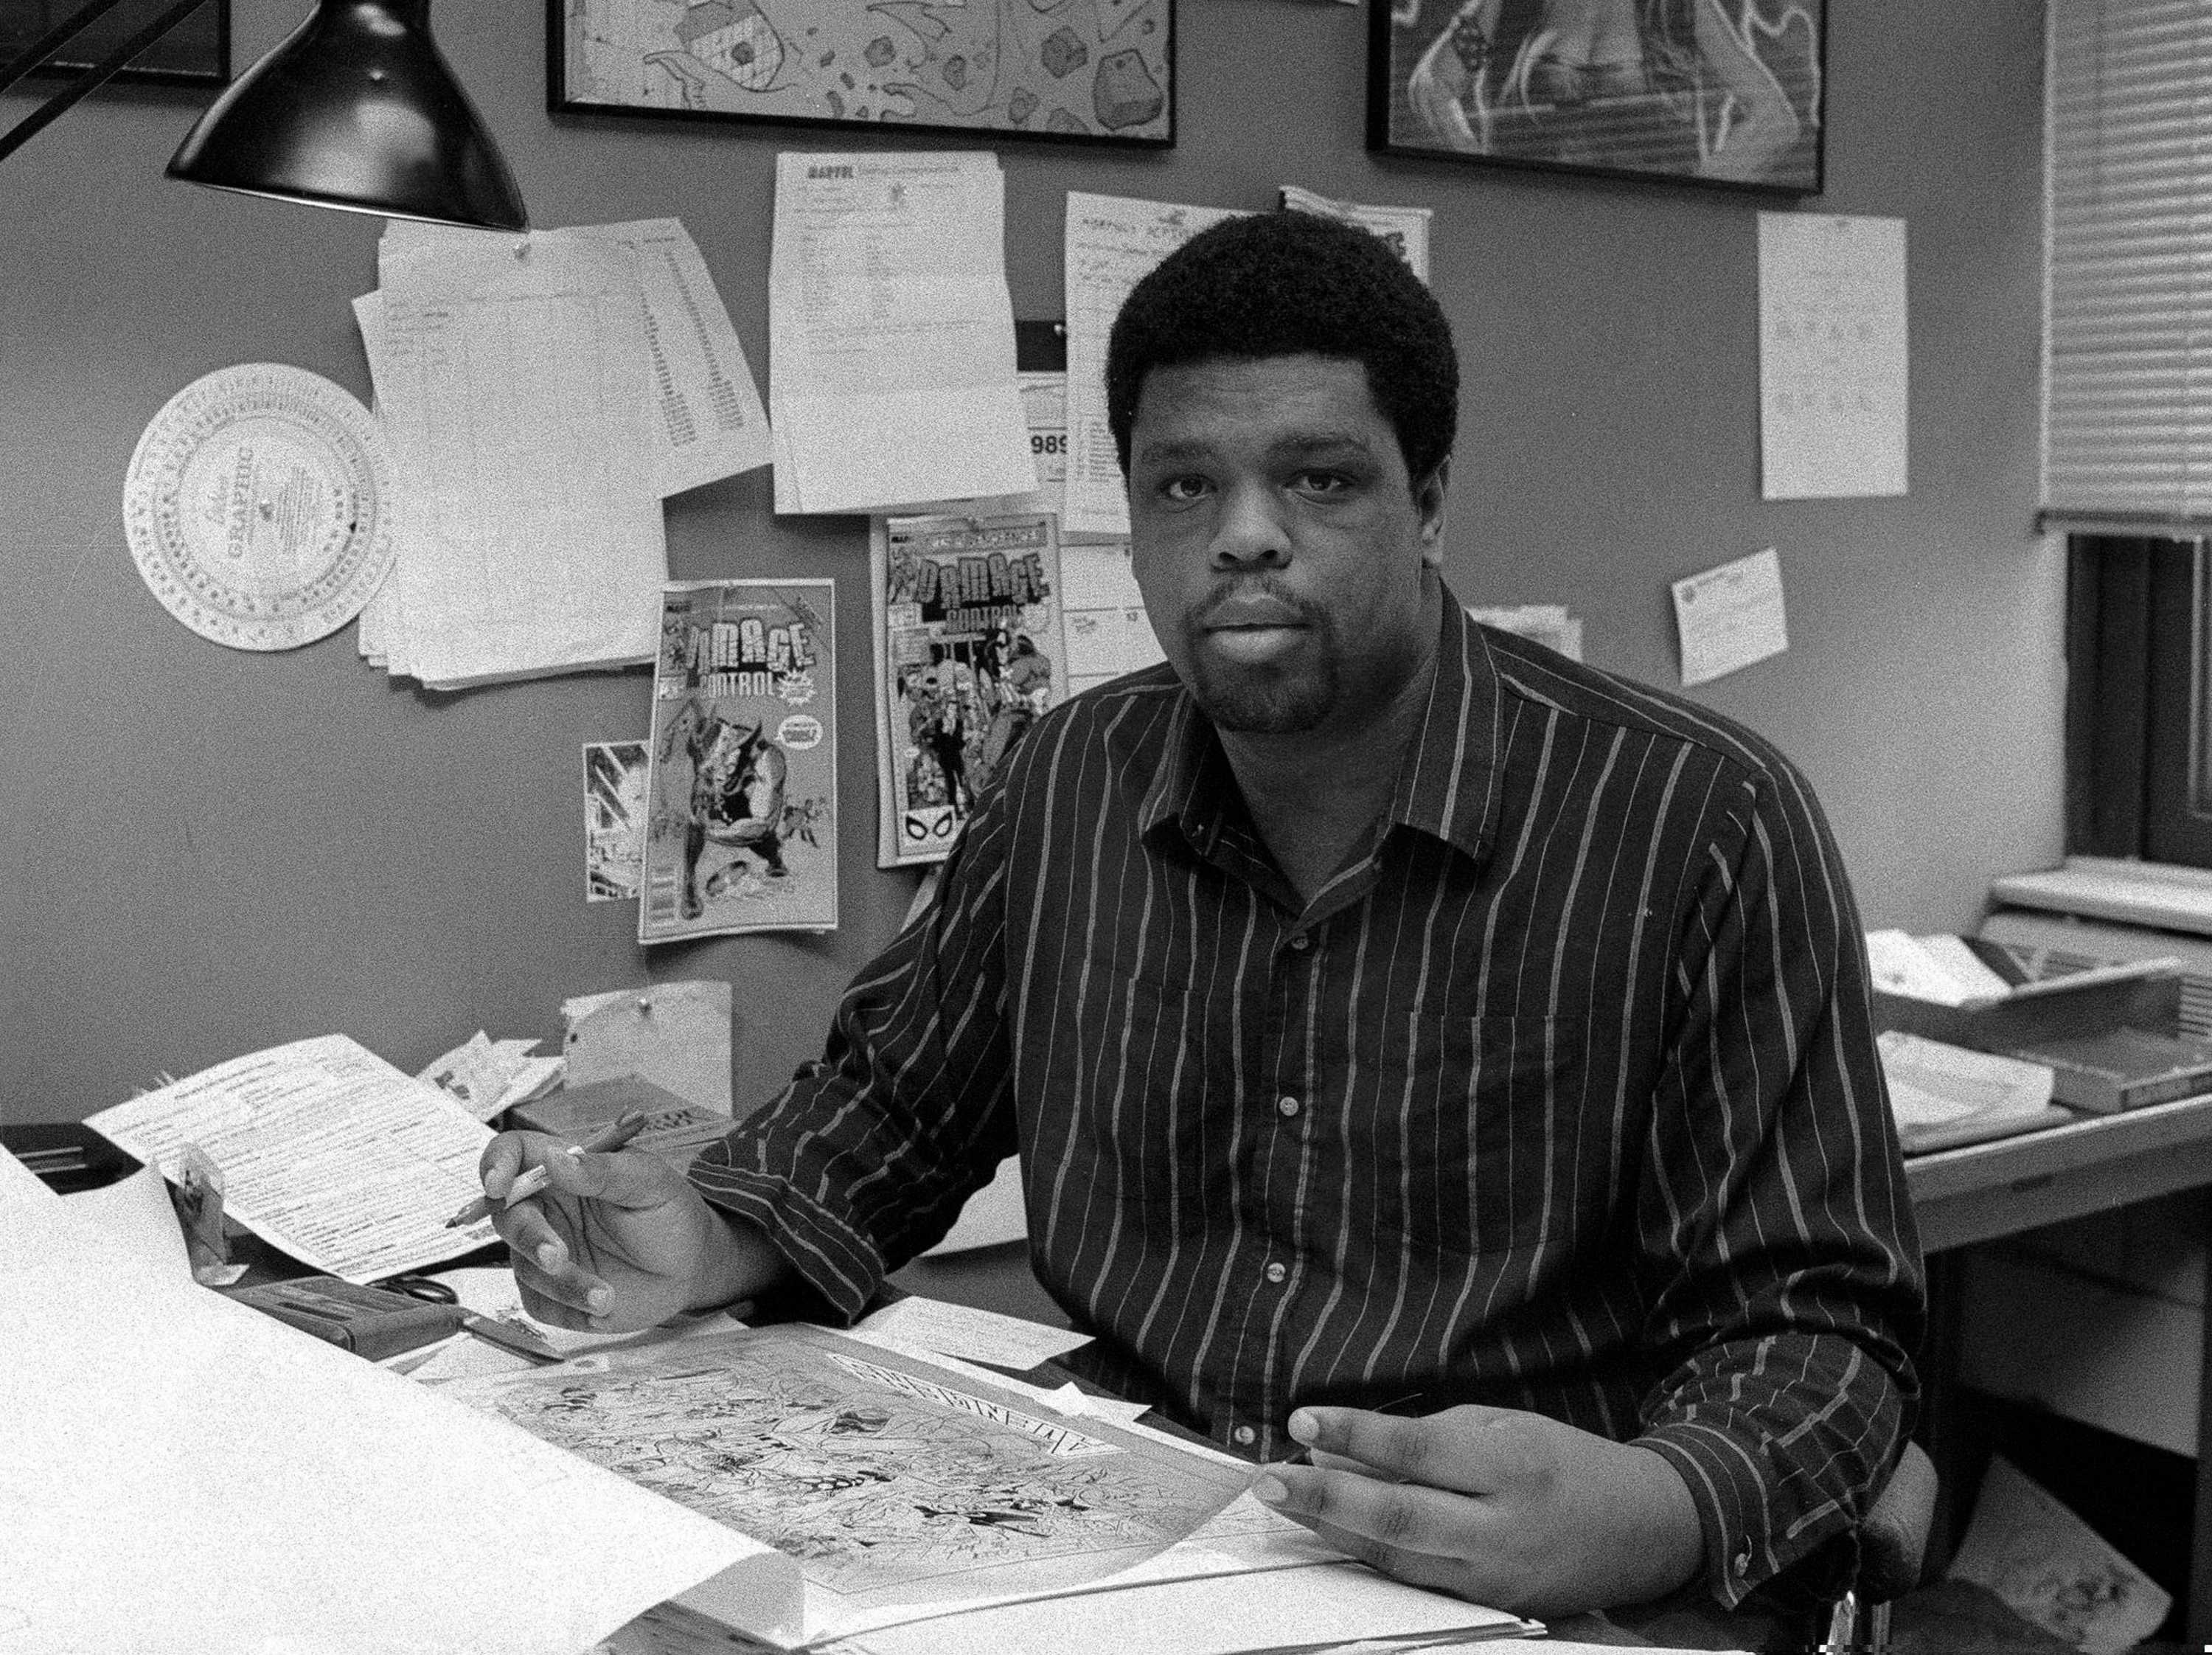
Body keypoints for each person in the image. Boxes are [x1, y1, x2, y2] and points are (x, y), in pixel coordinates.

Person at [482, 210, 1921, 1631]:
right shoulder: (1067, 780)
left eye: (1319, 479)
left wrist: (1660, 1508)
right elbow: (892, 1120)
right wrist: (706, 1232)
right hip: (1146, 1550)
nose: (1243, 537)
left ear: (1430, 503)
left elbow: (1817, 1324)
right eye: (1183, 487)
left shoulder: (1700, 821)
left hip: (1530, 1583)